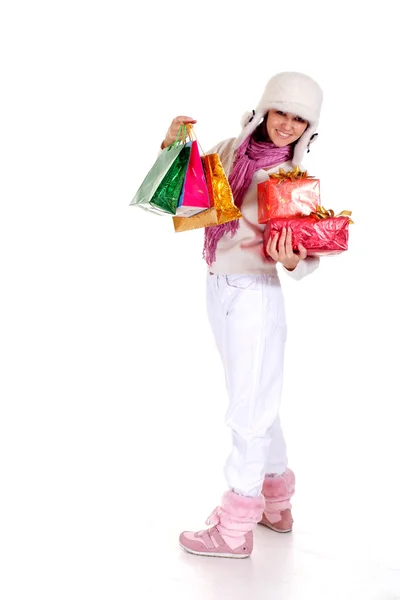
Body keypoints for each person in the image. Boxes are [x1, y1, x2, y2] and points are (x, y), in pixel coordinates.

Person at [160, 72, 323, 558]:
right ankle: (276, 505)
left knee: (248, 409)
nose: (288, 125)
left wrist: (293, 258)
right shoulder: (232, 149)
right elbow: (188, 194)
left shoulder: (293, 179)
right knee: (255, 398)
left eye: (300, 119)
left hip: (255, 292)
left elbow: (304, 251)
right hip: (218, 283)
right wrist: (172, 147)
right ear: (264, 110)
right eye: (282, 112)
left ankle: (233, 529)